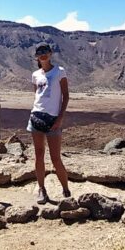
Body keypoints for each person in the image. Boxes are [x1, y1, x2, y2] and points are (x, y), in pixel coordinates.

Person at [26, 43, 71, 204]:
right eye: (40, 52)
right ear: (36, 56)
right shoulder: (35, 74)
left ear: (51, 54)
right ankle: (42, 190)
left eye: (45, 52)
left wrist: (60, 118)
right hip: (36, 116)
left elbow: (65, 96)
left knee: (55, 157)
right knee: (39, 155)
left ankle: (65, 189)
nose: (43, 55)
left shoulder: (59, 72)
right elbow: (37, 95)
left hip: (53, 118)